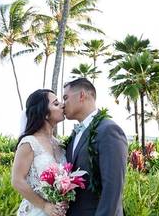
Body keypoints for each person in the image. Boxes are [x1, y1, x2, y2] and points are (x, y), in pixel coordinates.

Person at [62, 78, 126, 216]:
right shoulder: (75, 135)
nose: (63, 104)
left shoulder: (108, 130)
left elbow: (112, 188)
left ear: (82, 95)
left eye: (66, 97)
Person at [12, 88, 68, 216]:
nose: (62, 105)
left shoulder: (59, 144)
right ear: (45, 113)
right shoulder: (29, 143)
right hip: (37, 211)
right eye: (56, 103)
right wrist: (44, 205)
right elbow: (17, 180)